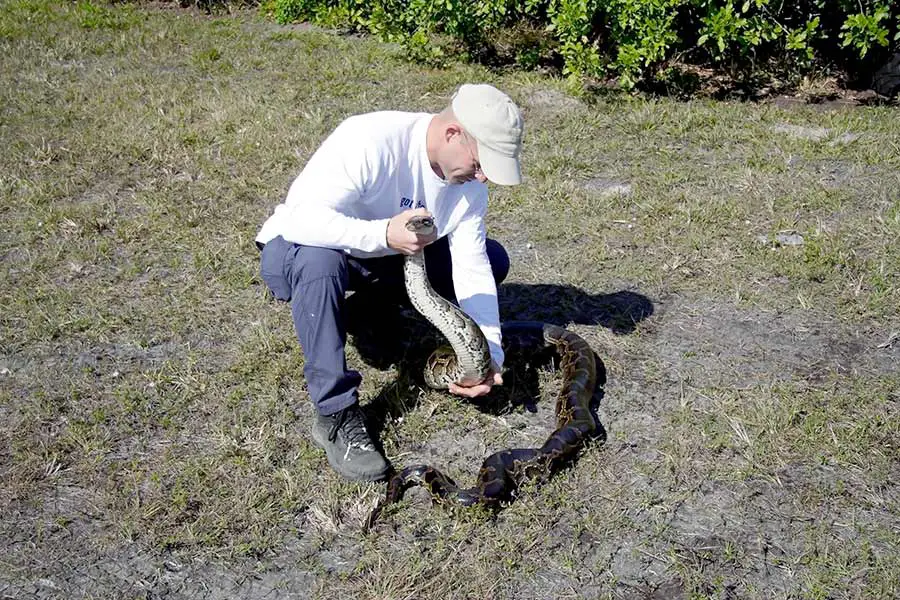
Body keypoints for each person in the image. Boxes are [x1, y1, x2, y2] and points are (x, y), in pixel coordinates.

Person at [255, 83, 525, 482]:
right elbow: (302, 220)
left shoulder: (468, 189)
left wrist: (490, 356)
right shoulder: (370, 139)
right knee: (318, 261)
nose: (483, 177)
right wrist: (383, 235)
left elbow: (471, 267)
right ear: (453, 134)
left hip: (391, 258)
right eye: (482, 162)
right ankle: (335, 414)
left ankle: (365, 312)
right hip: (306, 247)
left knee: (493, 256)